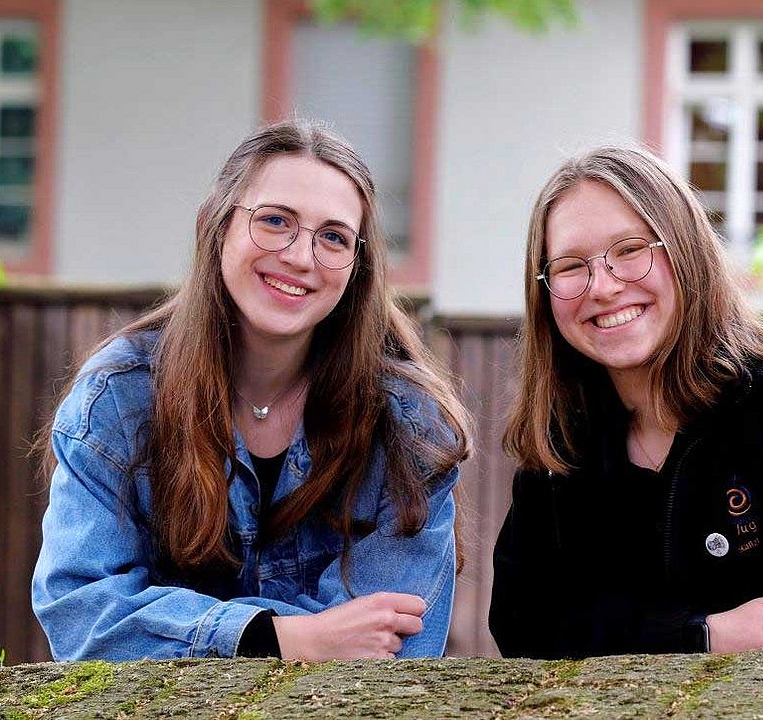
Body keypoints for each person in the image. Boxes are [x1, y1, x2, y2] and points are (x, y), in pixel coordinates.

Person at [31, 119, 470, 662]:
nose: (300, 257)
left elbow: (384, 652)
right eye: (274, 221)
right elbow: (81, 613)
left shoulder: (409, 427)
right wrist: (283, 638)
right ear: (217, 226)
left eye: (333, 237)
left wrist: (170, 630)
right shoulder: (117, 401)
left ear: (358, 267)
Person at [490, 145, 763, 659]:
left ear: (686, 253)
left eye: (629, 250)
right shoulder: (560, 452)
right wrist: (701, 634)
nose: (603, 286)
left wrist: (623, 629)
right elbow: (525, 624)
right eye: (569, 266)